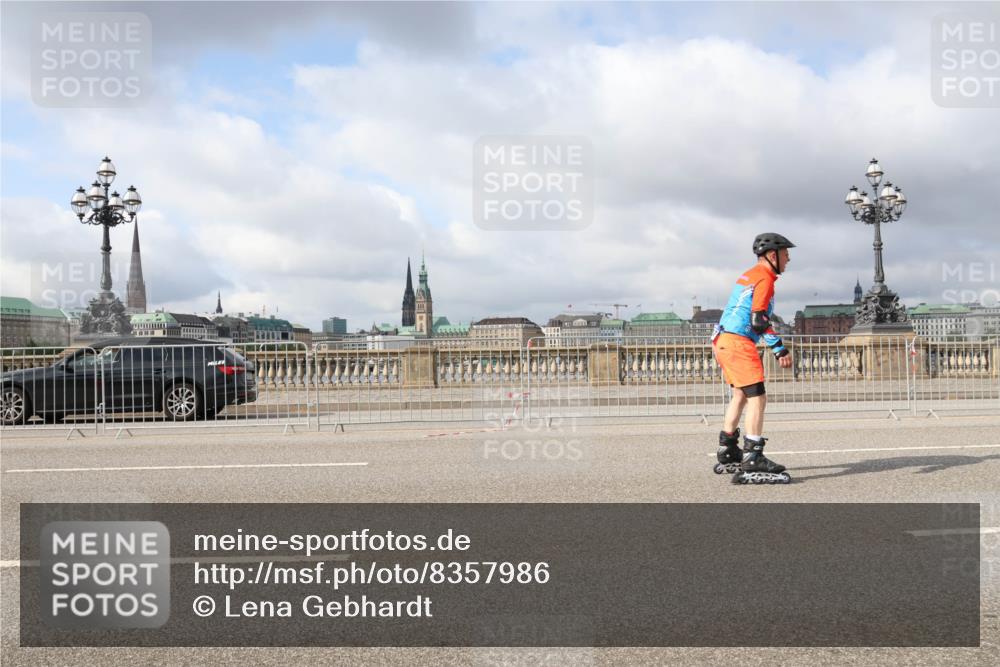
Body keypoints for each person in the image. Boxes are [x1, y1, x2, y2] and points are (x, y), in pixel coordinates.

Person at [712, 233, 795, 483]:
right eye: (785, 254)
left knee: (740, 395)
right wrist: (779, 348)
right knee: (758, 397)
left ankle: (728, 449)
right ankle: (753, 456)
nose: (788, 259)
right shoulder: (764, 278)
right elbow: (759, 320)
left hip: (723, 340)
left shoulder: (749, 275)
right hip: (739, 342)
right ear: (772, 256)